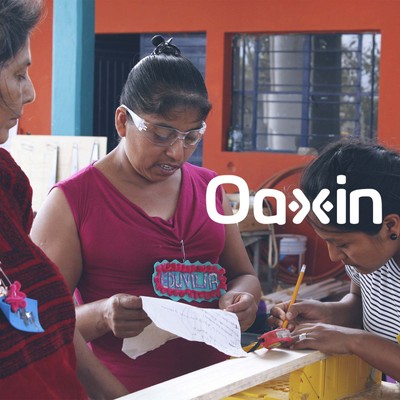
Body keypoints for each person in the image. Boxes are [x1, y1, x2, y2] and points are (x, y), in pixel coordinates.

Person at [30, 35, 262, 392]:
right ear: (123, 121)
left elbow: (243, 274)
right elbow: (37, 319)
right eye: (161, 134)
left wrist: (245, 297)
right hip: (125, 390)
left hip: (219, 385)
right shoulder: (72, 202)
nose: (176, 152)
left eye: (191, 137)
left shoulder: (210, 188)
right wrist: (103, 313)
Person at [0, 0, 128, 398]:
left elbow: (45, 322)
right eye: (19, 74)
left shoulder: (8, 183)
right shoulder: (76, 195)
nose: (32, 92)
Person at [268, 139, 400, 382]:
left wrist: (353, 341)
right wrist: (328, 314)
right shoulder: (369, 261)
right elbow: (361, 303)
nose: (333, 255)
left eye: (342, 244)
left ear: (390, 225)